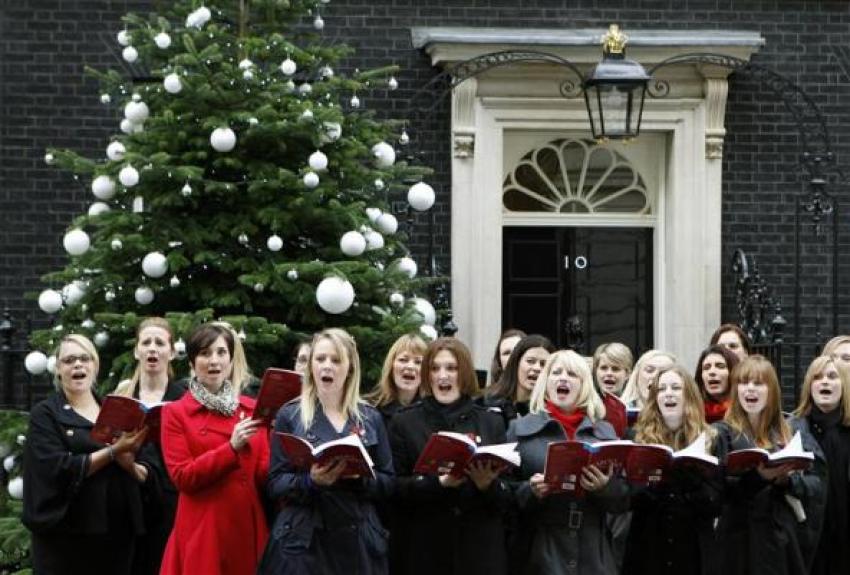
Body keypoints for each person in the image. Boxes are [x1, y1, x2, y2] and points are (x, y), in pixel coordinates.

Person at [260, 328, 394, 574]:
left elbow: (389, 482)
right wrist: (310, 481)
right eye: (320, 359)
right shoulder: (290, 415)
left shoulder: (370, 417)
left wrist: (362, 478)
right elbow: (275, 483)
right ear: (311, 365)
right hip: (305, 540)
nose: (327, 366)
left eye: (336, 360)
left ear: (350, 367)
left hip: (357, 537)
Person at [22, 334, 147, 575]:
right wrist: (112, 452)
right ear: (58, 369)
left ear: (95, 365)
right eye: (69, 360)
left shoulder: (117, 411)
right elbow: (56, 468)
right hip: (67, 536)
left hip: (118, 532)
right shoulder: (46, 414)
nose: (77, 364)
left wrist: (128, 461)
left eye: (84, 358)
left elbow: (138, 467)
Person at [388, 337, 511, 575]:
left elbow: (509, 495)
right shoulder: (404, 422)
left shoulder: (491, 421)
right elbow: (394, 488)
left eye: (451, 368)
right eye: (435, 368)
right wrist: (437, 483)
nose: (443, 375)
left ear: (464, 373)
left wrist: (488, 485)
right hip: (426, 549)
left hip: (479, 550)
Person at [160, 323, 270, 575]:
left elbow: (264, 472)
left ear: (231, 360)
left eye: (221, 353)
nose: (214, 361)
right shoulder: (175, 413)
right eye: (205, 353)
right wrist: (230, 448)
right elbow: (183, 477)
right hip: (203, 528)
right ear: (191, 361)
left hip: (246, 525)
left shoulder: (252, 409)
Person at [507, 349, 629, 575]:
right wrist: (531, 490)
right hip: (541, 551)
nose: (563, 378)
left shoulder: (605, 431)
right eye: (556, 373)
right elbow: (505, 495)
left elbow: (622, 500)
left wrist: (604, 488)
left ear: (584, 385)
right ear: (546, 382)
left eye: (572, 374)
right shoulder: (520, 430)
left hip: (594, 553)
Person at [713, 354, 825, 575]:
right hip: (737, 541)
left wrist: (788, 480)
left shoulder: (791, 431)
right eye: (744, 383)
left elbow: (816, 484)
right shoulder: (721, 433)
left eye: (758, 383)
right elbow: (718, 491)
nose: (750, 389)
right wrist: (759, 478)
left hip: (778, 539)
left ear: (771, 391)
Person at [623, 364, 723, 575]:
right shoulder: (636, 438)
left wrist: (688, 475)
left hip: (693, 551)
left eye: (676, 388)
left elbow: (715, 503)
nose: (668, 393)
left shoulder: (711, 439)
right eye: (661, 389)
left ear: (688, 395)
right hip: (648, 549)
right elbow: (630, 498)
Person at [113, 318, 186, 575]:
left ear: (172, 351)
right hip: (127, 501)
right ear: (137, 351)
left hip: (171, 501)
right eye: (146, 342)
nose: (152, 348)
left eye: (160, 343)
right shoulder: (122, 397)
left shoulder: (185, 397)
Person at [790, 355, 850, 575]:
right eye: (818, 377)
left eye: (832, 376)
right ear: (809, 386)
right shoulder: (793, 431)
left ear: (844, 385)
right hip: (810, 538)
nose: (825, 381)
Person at [482, 334, 555, 426]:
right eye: (530, 361)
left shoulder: (553, 411)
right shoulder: (488, 404)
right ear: (516, 363)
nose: (537, 368)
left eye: (543, 364)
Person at [365, 333, 427, 424]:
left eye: (418, 362)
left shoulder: (431, 412)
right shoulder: (369, 409)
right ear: (391, 366)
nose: (410, 366)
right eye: (403, 360)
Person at [694, 344, 739, 423]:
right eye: (706, 368)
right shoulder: (692, 413)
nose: (712, 372)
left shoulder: (746, 410)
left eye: (720, 366)